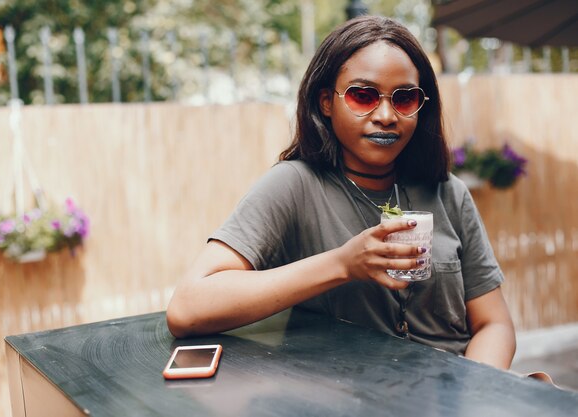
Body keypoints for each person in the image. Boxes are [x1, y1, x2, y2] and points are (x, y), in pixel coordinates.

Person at [166, 15, 516, 370]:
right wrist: (343, 264)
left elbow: (493, 323)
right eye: (363, 96)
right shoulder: (294, 185)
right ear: (326, 103)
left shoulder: (448, 192)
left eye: (405, 98)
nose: (386, 115)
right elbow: (187, 308)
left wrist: (475, 396)